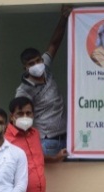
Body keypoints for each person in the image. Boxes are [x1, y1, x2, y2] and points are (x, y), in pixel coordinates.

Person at [15, 5, 71, 158]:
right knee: (49, 172)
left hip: (67, 136)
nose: (37, 65)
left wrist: (64, 18)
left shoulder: (45, 67)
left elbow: (54, 44)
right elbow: (20, 118)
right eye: (31, 63)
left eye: (38, 60)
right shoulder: (23, 91)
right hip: (47, 141)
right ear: (25, 68)